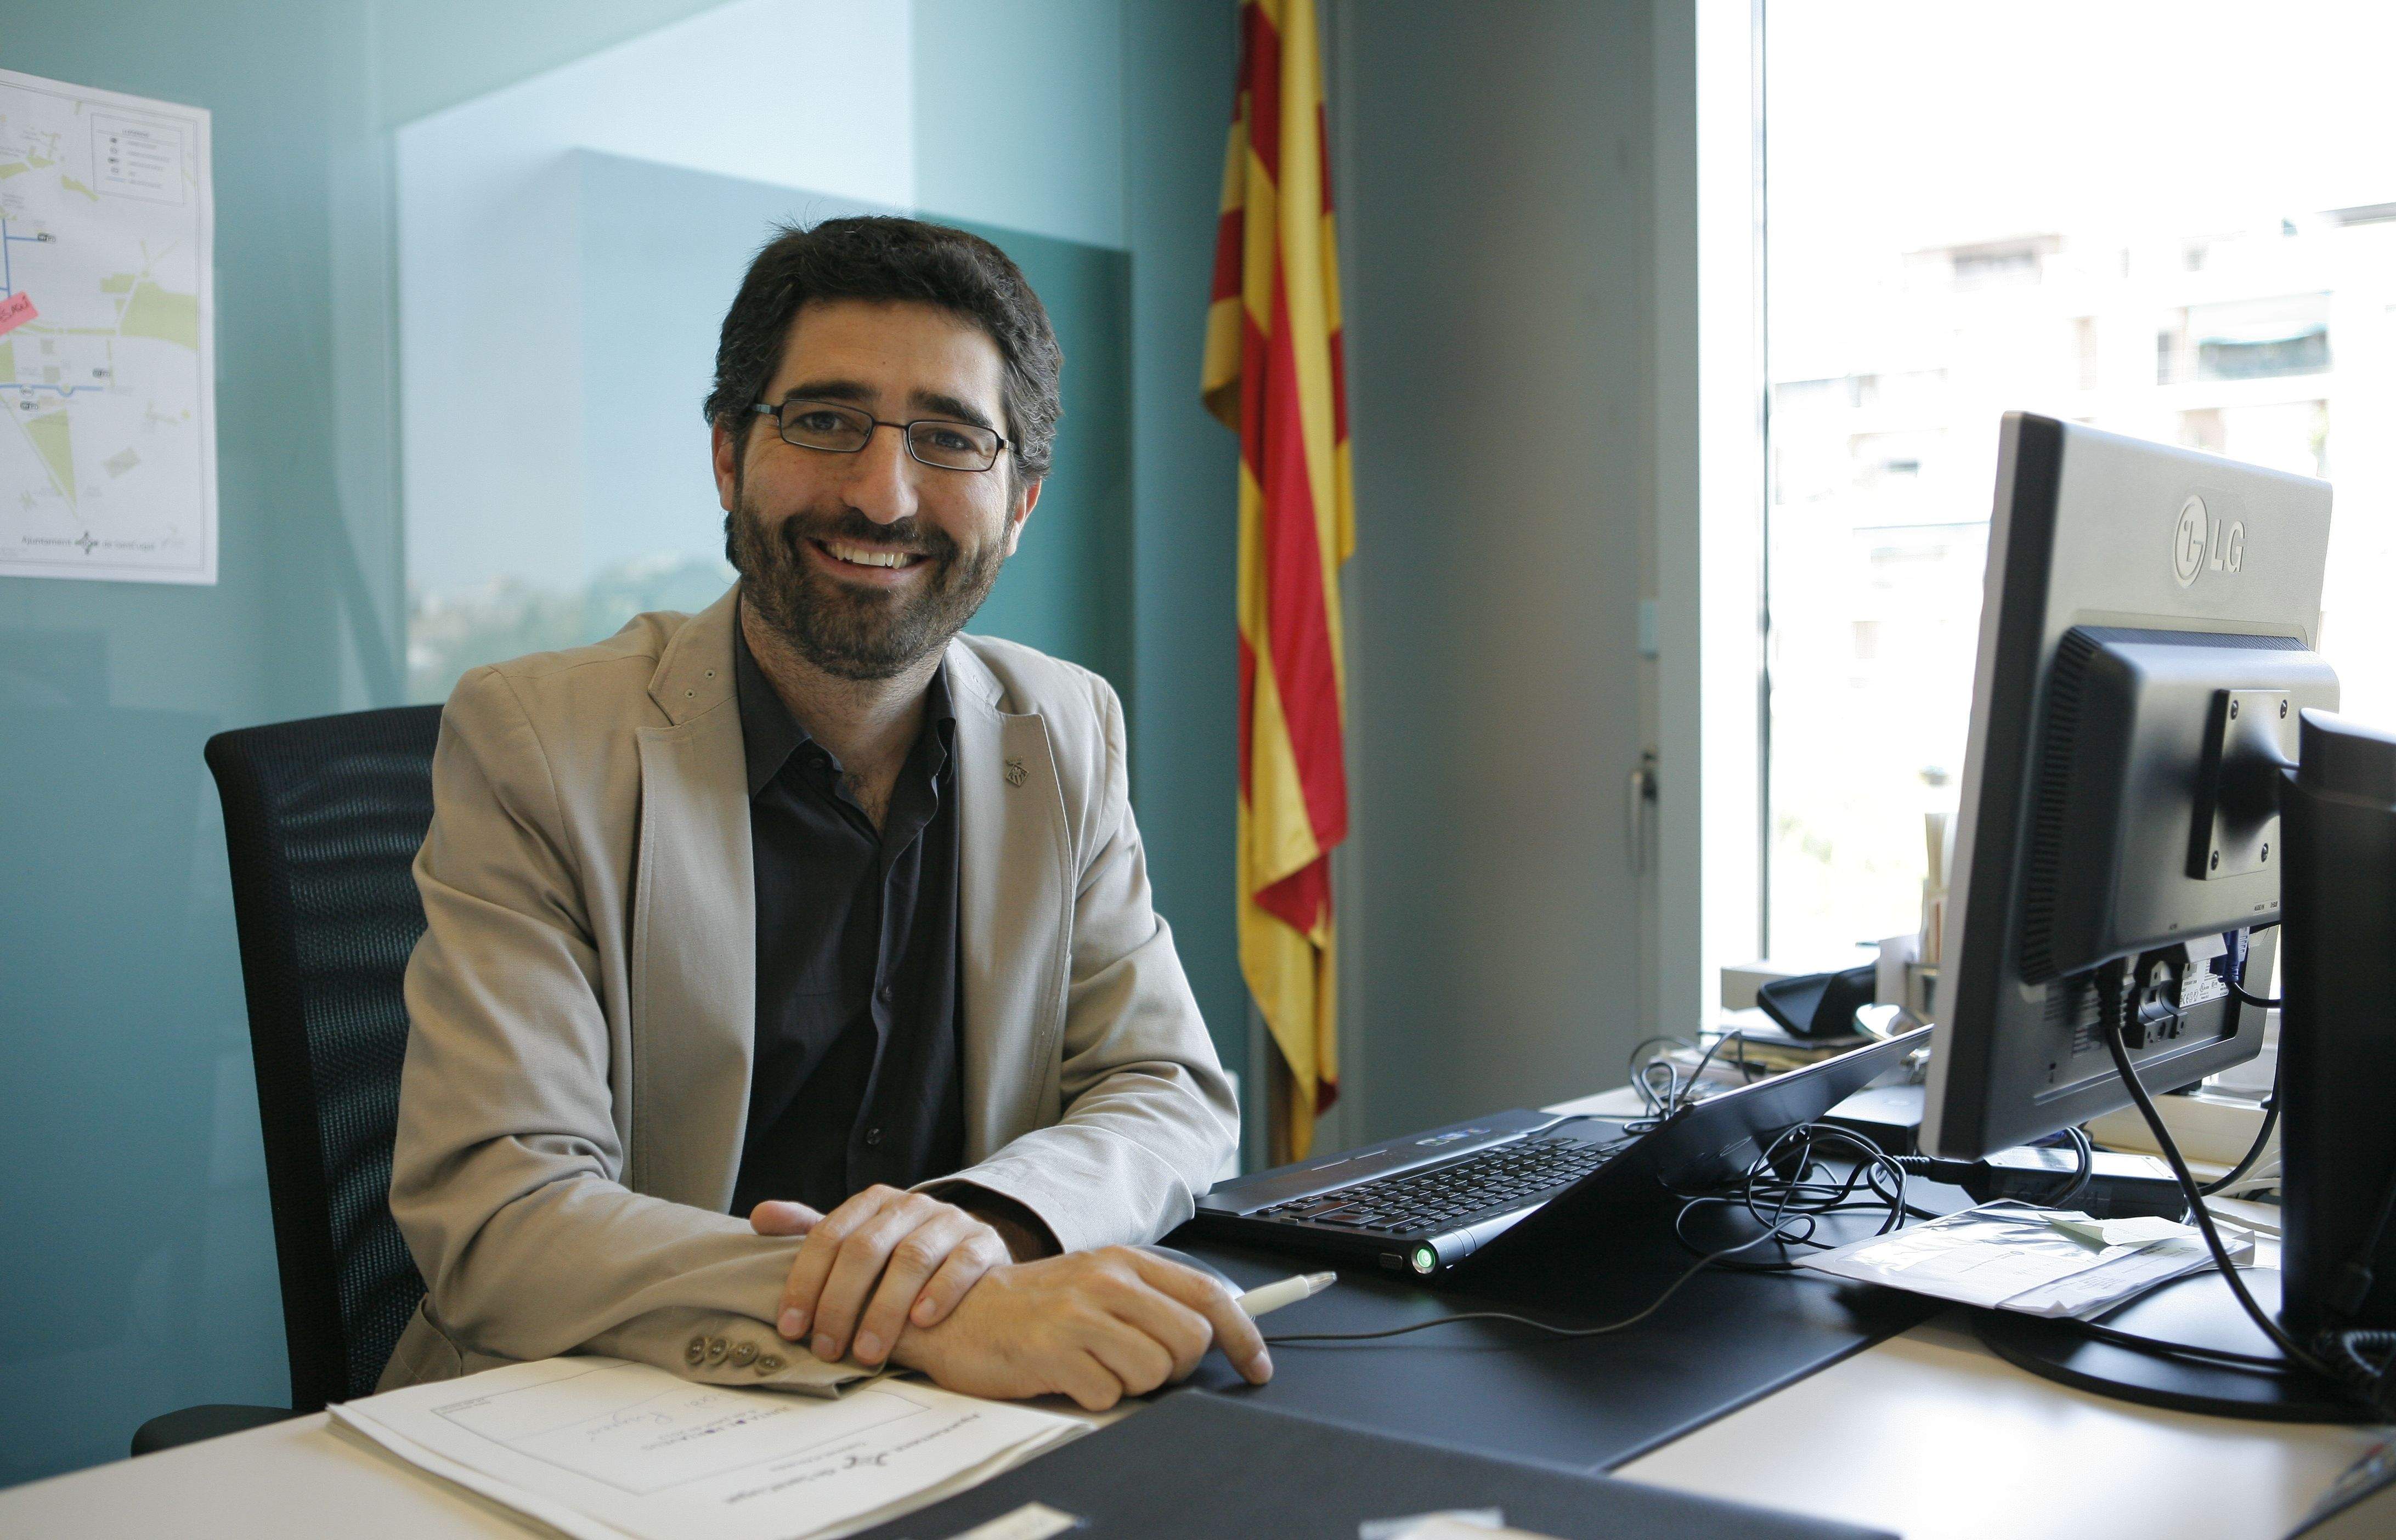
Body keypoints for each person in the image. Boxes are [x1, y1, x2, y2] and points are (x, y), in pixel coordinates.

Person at [380, 216, 1270, 1412]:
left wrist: (985, 1226)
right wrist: (924, 1313)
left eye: (951, 439)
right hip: (606, 1422)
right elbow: (502, 1217)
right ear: (728, 456)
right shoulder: (539, 745)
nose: (883, 493)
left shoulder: (1063, 730)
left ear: (1020, 504)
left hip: (952, 1419)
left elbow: (1168, 1085)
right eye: (824, 421)